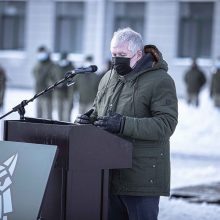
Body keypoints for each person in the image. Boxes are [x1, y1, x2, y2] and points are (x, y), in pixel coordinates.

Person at [75, 27, 178, 220]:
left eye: (122, 54)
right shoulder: (108, 77)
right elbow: (99, 112)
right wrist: (88, 120)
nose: (116, 60)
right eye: (113, 54)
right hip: (108, 174)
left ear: (138, 54)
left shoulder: (160, 81)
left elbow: (166, 124)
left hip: (141, 178)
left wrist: (124, 124)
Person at [33, 46, 60, 119]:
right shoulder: (38, 64)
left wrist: (50, 81)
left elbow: (55, 78)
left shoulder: (51, 65)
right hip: (38, 93)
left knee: (48, 115)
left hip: (48, 94)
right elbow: (35, 75)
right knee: (38, 115)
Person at [56, 52, 75, 121]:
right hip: (58, 95)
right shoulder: (57, 67)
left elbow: (74, 80)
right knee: (59, 115)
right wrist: (56, 84)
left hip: (68, 95)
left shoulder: (71, 68)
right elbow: (51, 78)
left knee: (67, 116)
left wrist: (65, 84)